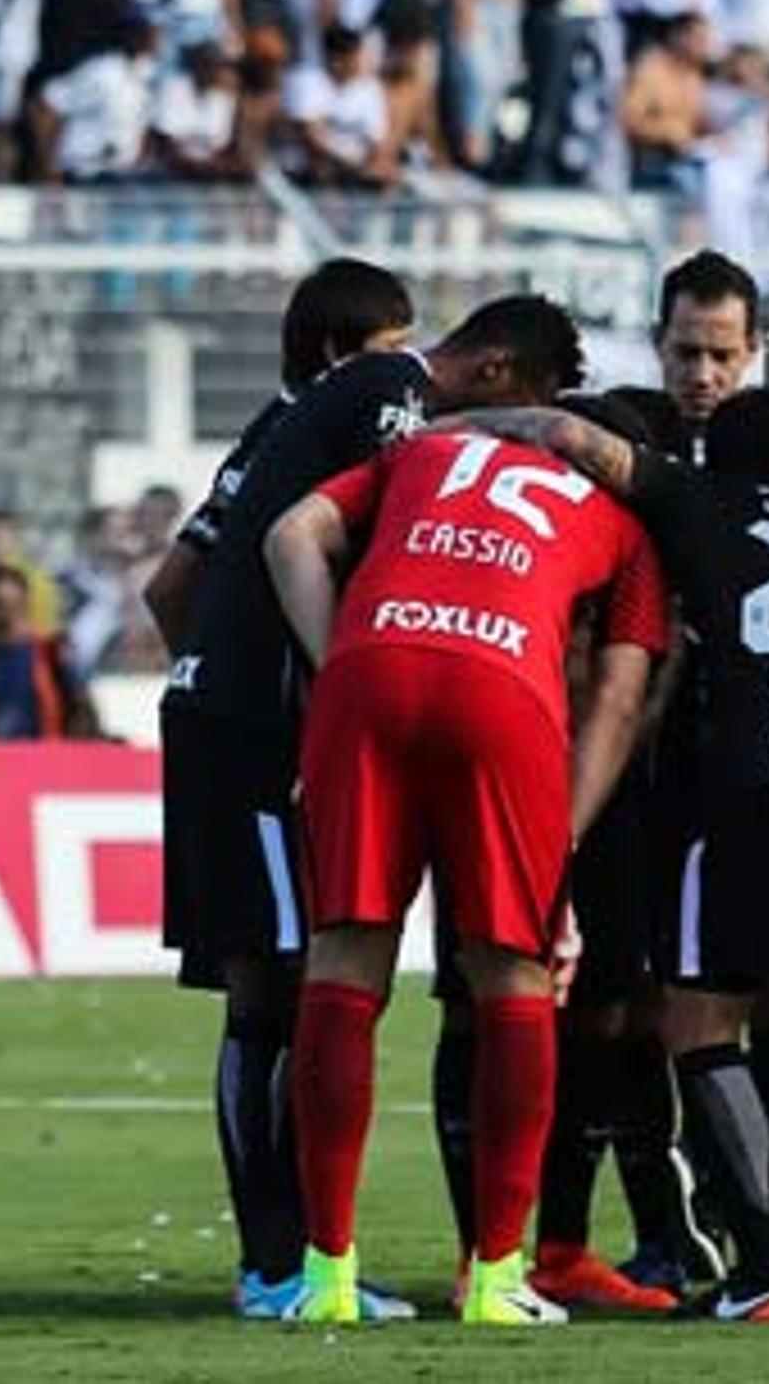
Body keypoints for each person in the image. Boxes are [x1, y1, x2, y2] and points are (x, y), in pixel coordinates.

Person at [157, 271, 581, 1320]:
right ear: (493, 374)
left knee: (277, 986)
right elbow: (325, 544)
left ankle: (285, 1260)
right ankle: (278, 1264)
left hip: (223, 714)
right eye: (522, 409)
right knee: (285, 989)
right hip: (269, 725)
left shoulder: (276, 420)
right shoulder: (391, 387)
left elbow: (169, 585)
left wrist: (220, 674)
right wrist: (323, 674)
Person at [457, 387, 769, 1323]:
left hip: (754, 777)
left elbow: (572, 437)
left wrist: (454, 429)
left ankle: (767, 1269)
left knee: (699, 1020)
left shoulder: (701, 499)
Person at [258, 404, 671, 1329]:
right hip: (504, 691)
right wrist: (558, 837)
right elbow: (617, 691)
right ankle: (494, 1276)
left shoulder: (425, 452)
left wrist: (343, 673)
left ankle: (326, 1277)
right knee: (510, 975)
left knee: (343, 960)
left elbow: (292, 537)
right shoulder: (625, 525)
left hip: (369, 669)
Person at [0, 566, 92, 740]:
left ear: (24, 604)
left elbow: (81, 708)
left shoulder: (49, 651)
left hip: (42, 755)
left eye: (10, 604)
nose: (3, 614)